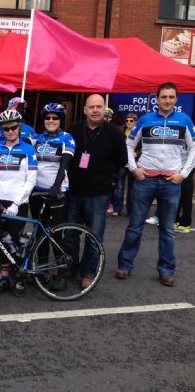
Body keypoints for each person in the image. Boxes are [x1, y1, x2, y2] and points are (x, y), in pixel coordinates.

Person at [117, 82, 195, 286]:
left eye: (171, 97)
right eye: (164, 97)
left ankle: (166, 270)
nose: (167, 100)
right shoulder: (145, 119)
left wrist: (183, 174)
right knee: (135, 226)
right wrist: (133, 168)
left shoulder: (184, 120)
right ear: (157, 99)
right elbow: (129, 144)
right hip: (145, 180)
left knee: (167, 230)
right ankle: (125, 265)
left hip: (171, 182)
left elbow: (193, 148)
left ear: (176, 99)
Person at [67, 94, 127, 289]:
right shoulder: (74, 129)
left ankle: (88, 272)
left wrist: (105, 176)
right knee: (70, 234)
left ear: (104, 109)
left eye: (99, 107)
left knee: (94, 237)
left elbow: (121, 160)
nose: (95, 110)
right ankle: (70, 268)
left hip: (99, 194)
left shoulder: (115, 133)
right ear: (85, 109)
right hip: (74, 191)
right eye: (91, 107)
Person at [0, 109, 37, 296]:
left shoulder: (28, 149)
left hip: (19, 202)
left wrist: (16, 204)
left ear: (19, 127)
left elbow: (31, 180)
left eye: (13, 128)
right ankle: (5, 278)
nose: (10, 131)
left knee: (15, 241)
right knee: (1, 241)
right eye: (6, 129)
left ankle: (20, 279)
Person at [32, 103, 75, 291]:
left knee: (56, 233)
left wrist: (56, 186)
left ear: (61, 120)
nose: (51, 121)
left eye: (55, 118)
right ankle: (42, 270)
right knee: (39, 232)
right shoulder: (36, 138)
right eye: (47, 118)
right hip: (37, 192)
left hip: (57, 192)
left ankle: (62, 272)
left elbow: (64, 164)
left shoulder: (66, 138)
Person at [112, 113, 139, 216]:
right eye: (127, 120)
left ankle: (130, 210)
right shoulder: (121, 131)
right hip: (123, 163)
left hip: (134, 163)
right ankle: (117, 209)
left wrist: (137, 153)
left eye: (131, 120)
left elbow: (144, 147)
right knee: (119, 187)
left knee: (132, 189)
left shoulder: (138, 132)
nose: (128, 122)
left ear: (135, 122)